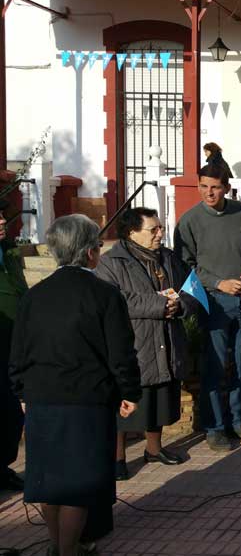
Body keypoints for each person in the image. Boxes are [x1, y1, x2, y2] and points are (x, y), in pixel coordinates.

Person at [10, 215, 141, 556]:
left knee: (50, 482)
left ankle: (59, 546)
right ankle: (68, 551)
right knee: (78, 485)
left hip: (42, 397)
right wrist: (129, 392)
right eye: (97, 246)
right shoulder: (105, 295)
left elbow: (18, 351)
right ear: (89, 253)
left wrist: (21, 392)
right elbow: (121, 352)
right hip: (86, 401)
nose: (99, 251)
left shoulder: (34, 296)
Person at [95, 208, 195, 481]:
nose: (160, 234)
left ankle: (154, 448)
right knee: (126, 402)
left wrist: (181, 305)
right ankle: (117, 458)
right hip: (134, 341)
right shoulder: (110, 262)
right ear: (131, 233)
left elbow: (191, 287)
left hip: (167, 338)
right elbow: (117, 299)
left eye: (160, 228)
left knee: (160, 396)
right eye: (153, 230)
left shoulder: (168, 258)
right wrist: (160, 304)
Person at [174, 163, 241, 451]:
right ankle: (214, 428)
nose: (208, 192)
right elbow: (184, 268)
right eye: (203, 186)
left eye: (214, 186)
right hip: (214, 302)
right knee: (214, 366)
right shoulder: (189, 222)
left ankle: (238, 420)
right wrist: (218, 283)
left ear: (226, 186)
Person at [0, 216, 27, 492]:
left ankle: (4, 466)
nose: (3, 220)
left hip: (14, 344)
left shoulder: (9, 251)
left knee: (11, 410)